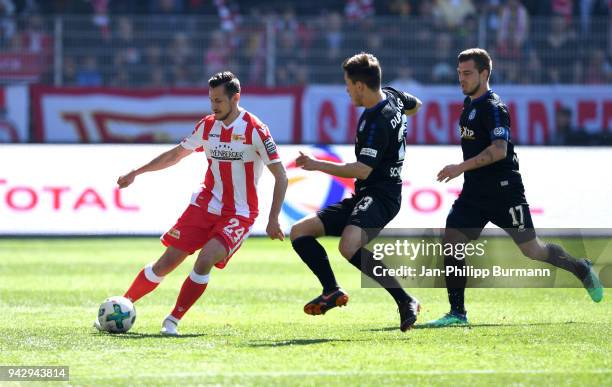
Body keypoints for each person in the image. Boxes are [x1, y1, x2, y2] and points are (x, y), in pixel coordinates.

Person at [97, 71, 287, 336]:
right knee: (165, 263)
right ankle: (123, 305)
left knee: (205, 258)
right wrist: (136, 172)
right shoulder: (207, 126)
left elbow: (281, 175)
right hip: (205, 205)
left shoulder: (255, 129)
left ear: (235, 99)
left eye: (219, 100)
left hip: (239, 213)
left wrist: (273, 218)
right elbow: (176, 155)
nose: (213, 105)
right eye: (211, 100)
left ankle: (173, 320)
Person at [427, 48, 603, 327]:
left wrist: (459, 167)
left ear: (484, 73)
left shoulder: (494, 107)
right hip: (474, 192)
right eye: (459, 73)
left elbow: (498, 151)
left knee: (533, 250)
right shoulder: (469, 105)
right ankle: (457, 313)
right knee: (452, 240)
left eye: (468, 73)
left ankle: (580, 267)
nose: (461, 78)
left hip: (503, 190)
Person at [290, 52, 423, 332]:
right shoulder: (392, 95)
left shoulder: (377, 122)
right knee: (300, 232)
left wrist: (317, 165)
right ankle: (331, 291)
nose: (347, 90)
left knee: (347, 246)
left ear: (360, 85)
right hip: (365, 195)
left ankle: (405, 300)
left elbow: (362, 170)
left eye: (348, 84)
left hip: (383, 195)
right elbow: (416, 105)